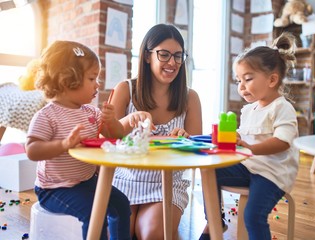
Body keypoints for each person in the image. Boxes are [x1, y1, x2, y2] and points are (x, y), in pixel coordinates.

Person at [25, 40, 145, 240]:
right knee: (93, 212)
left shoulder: (91, 112)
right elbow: (32, 149)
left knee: (121, 204)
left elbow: (114, 134)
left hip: (86, 181)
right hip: (55, 188)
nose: (97, 84)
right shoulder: (47, 116)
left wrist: (111, 120)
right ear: (66, 81)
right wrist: (64, 145)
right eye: (92, 78)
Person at [199, 32, 299, 240]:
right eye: (239, 80)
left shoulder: (282, 108)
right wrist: (226, 136)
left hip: (272, 173)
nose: (241, 86)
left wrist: (248, 148)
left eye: (248, 78)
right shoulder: (249, 110)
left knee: (252, 216)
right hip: (249, 166)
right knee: (210, 170)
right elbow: (244, 136)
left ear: (272, 80)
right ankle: (215, 222)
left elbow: (282, 142)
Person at [110, 23, 202, 240]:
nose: (172, 62)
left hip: (168, 184)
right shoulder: (126, 89)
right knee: (117, 232)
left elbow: (195, 151)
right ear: (147, 56)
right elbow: (107, 137)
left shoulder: (190, 98)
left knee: (151, 233)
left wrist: (182, 141)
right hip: (124, 179)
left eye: (178, 56)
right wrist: (127, 121)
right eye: (164, 54)